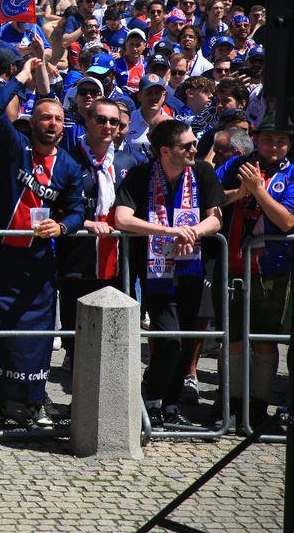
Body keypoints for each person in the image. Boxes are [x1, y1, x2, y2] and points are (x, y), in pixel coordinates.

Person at [0, 57, 85, 428]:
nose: (51, 124)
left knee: (34, 336)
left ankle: (32, 398)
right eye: (44, 117)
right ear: (32, 120)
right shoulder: (13, 146)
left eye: (56, 119)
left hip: (37, 263)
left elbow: (78, 209)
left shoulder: (68, 165)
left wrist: (63, 226)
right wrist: (22, 74)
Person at [113, 119, 224, 429]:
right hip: (154, 270)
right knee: (170, 337)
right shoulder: (140, 175)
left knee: (187, 339)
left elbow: (215, 218)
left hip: (192, 268)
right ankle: (151, 394)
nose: (194, 149)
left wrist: (192, 231)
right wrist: (166, 231)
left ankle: (172, 404)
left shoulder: (202, 171)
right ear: (165, 151)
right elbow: (122, 218)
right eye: (187, 145)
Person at [215, 115, 293, 430]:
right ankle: (231, 403)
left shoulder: (291, 174)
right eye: (268, 140)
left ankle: (258, 404)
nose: (274, 146)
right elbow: (212, 197)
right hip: (230, 262)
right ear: (256, 139)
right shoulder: (237, 165)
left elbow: (287, 221)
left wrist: (258, 191)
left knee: (263, 340)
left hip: (271, 269)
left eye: (281, 141)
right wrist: (240, 192)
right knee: (231, 338)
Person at [57, 98, 145, 371]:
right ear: (87, 121)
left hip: (117, 260)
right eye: (101, 120)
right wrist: (85, 223)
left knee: (113, 338)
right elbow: (53, 207)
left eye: (114, 121)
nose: (108, 126)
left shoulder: (129, 161)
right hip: (76, 259)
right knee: (77, 336)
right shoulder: (67, 158)